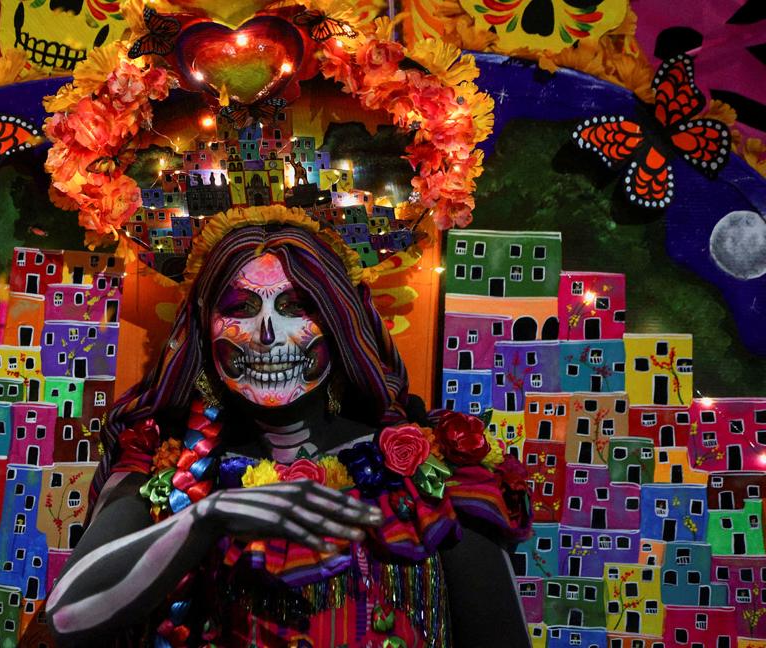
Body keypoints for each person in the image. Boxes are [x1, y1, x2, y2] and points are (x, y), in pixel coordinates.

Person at [45, 206, 533, 647]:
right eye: (240, 308)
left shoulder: (433, 473)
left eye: (296, 308)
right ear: (203, 327)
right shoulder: (163, 469)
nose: (266, 333)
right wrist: (202, 519)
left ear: (340, 321)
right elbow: (67, 618)